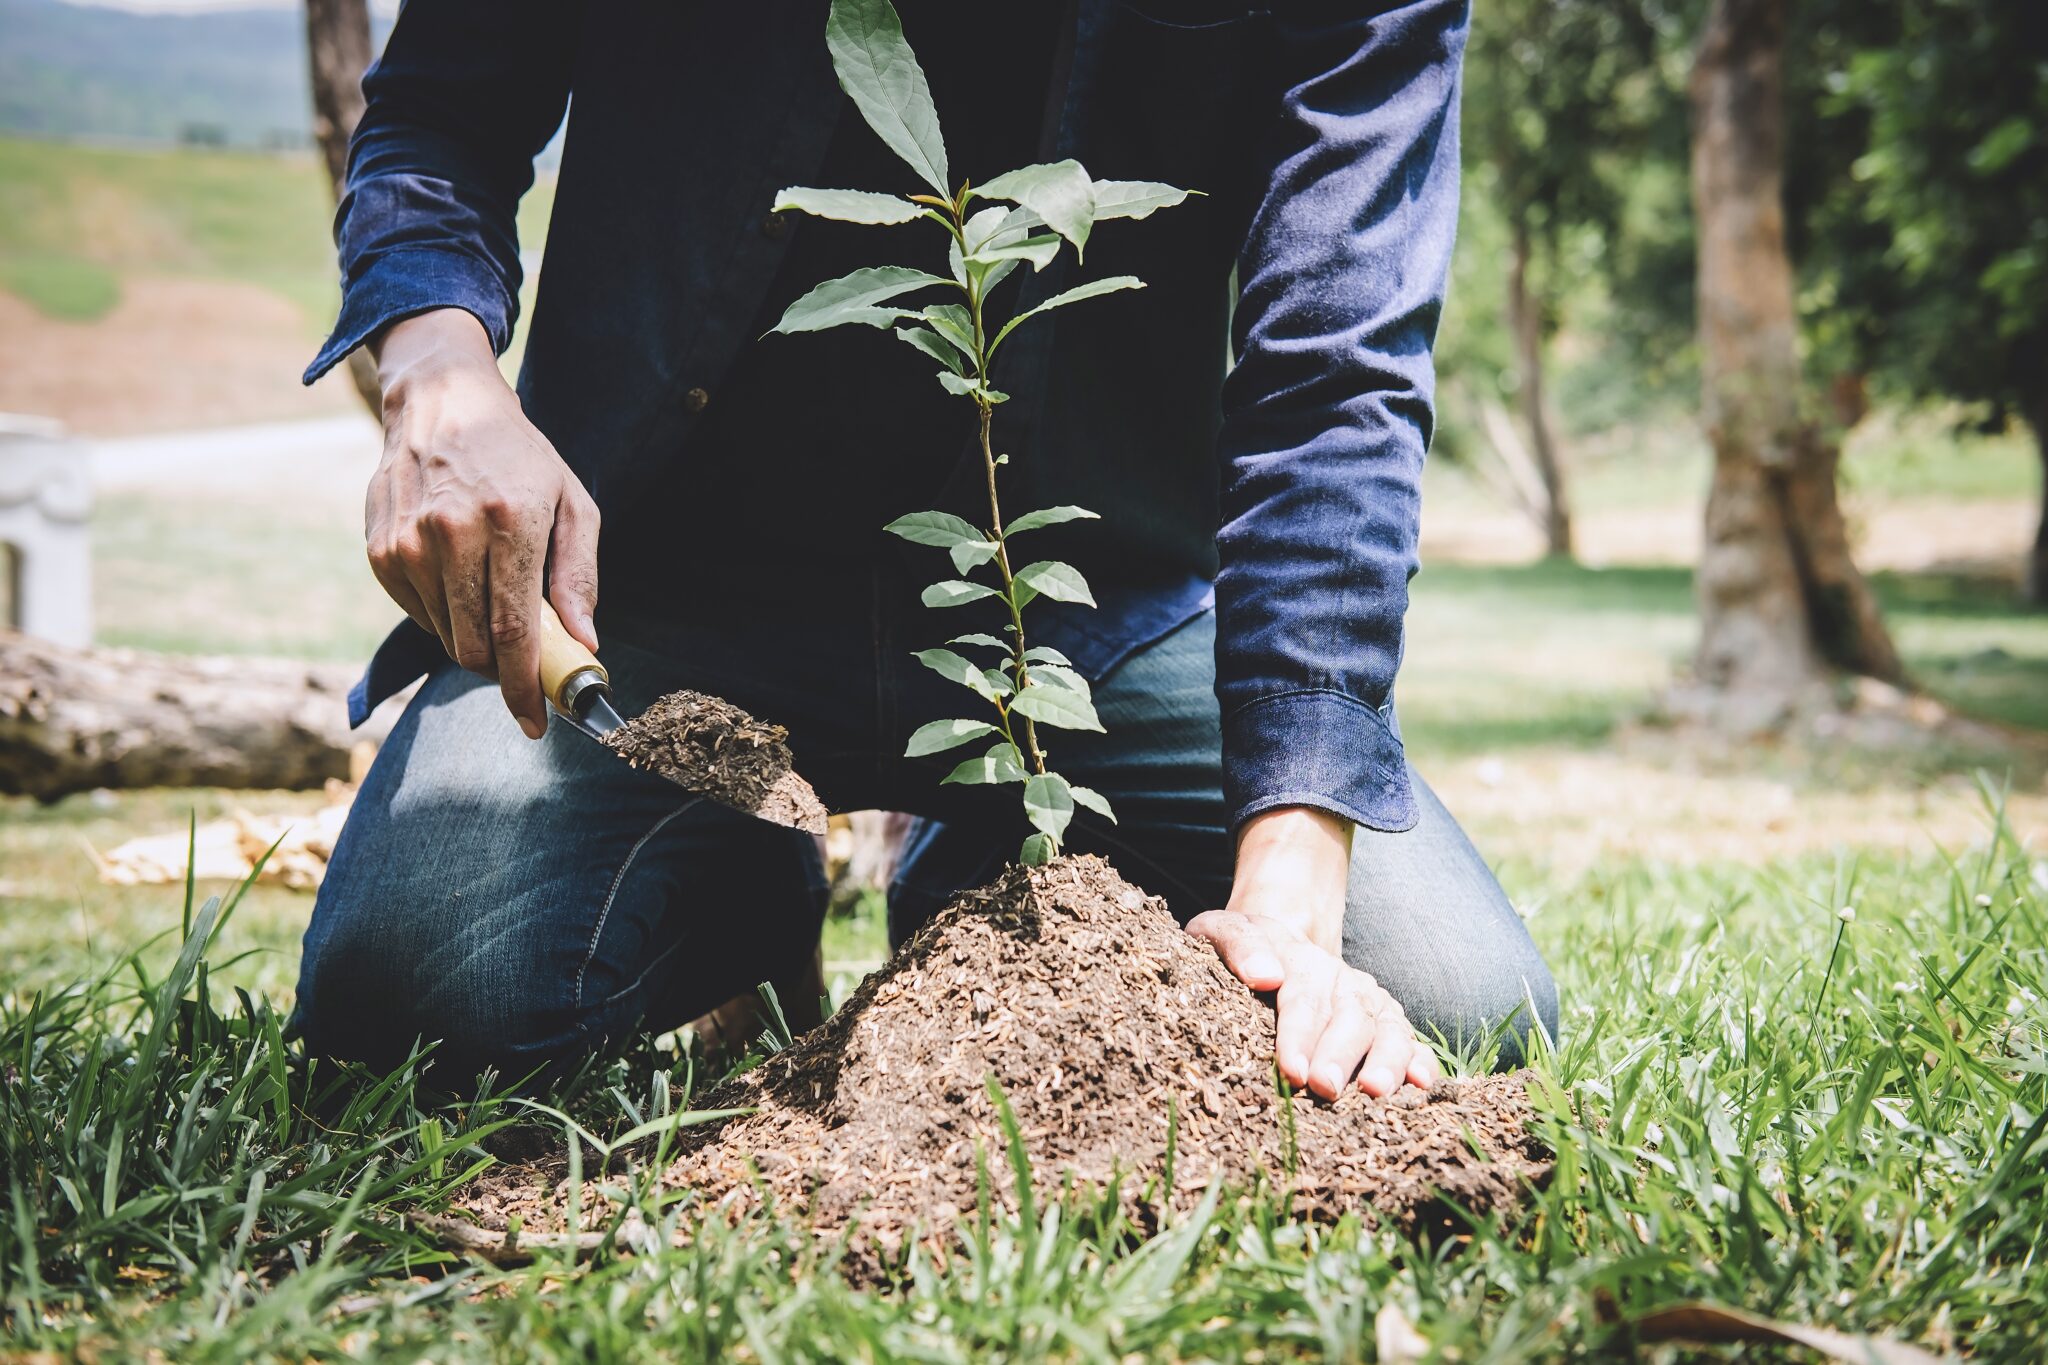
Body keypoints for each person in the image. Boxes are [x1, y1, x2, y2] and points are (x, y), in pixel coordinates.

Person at [294, 0, 1558, 1101]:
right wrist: (439, 378)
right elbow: (438, 116)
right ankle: (741, 859)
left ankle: (990, 873)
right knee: (406, 998)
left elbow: (1335, 363)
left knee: (1456, 1011)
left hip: (1093, 610)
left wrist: (1289, 895)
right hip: (650, 593)